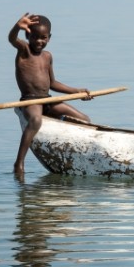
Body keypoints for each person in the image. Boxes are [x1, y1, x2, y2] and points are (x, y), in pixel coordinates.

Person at [9, 13, 92, 174]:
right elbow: (11, 39)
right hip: (30, 101)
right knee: (35, 120)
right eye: (35, 37)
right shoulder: (24, 50)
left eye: (43, 38)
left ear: (49, 38)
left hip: (47, 100)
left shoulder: (47, 56)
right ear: (27, 35)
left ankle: (72, 154)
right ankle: (19, 162)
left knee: (84, 120)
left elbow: (53, 83)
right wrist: (16, 27)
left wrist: (77, 92)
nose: (39, 41)